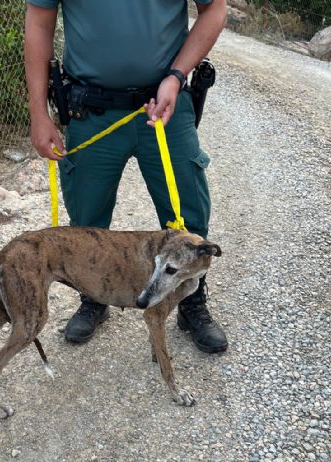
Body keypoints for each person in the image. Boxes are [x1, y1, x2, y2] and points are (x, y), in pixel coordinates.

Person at [24, 0, 228, 353]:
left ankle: (190, 300)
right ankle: (93, 296)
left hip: (165, 106)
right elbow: (40, 22)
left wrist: (177, 75)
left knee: (188, 214)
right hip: (89, 110)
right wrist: (38, 112)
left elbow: (216, 8)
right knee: (86, 220)